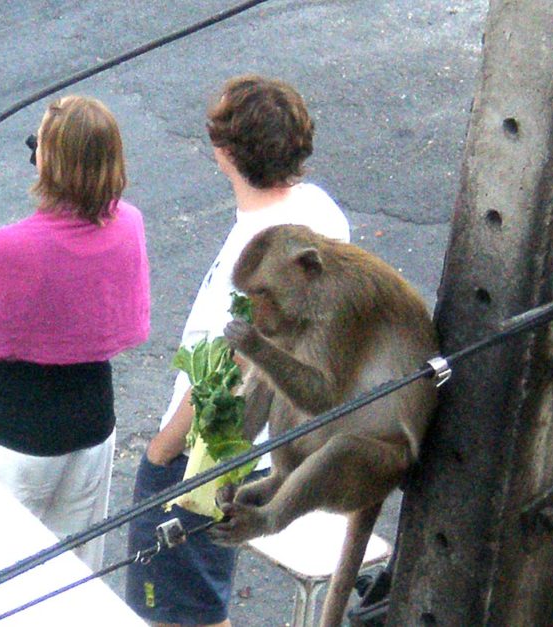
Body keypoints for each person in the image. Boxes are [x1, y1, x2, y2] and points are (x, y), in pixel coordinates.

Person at [124, 75, 350, 627]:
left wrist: (164, 450)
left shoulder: (263, 251)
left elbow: (236, 365)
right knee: (196, 597)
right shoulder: (319, 212)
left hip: (211, 448)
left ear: (225, 154)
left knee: (180, 609)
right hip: (275, 439)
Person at [0, 95, 150, 571]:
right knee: (74, 576)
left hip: (18, 428)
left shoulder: (14, 246)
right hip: (92, 420)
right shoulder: (129, 224)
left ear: (50, 162)